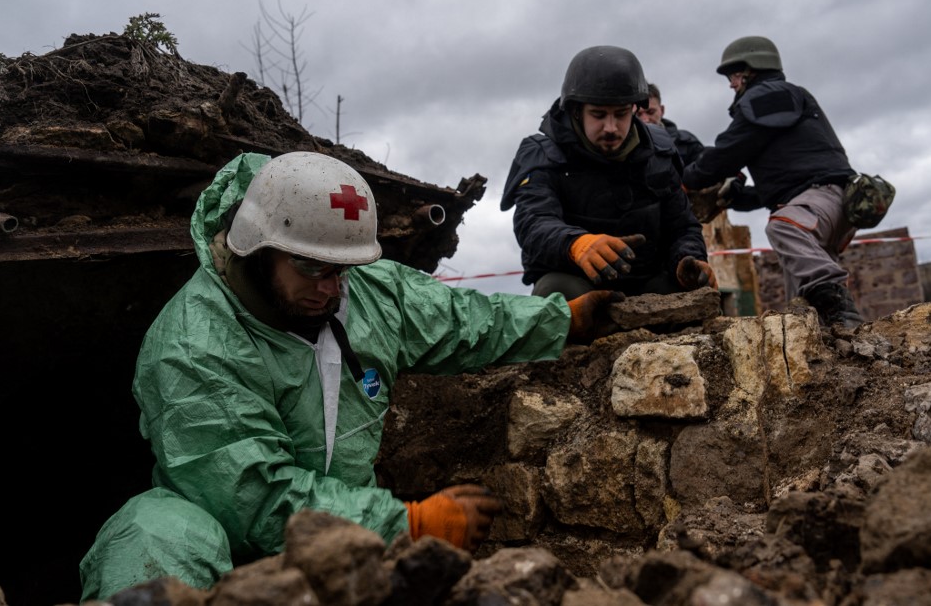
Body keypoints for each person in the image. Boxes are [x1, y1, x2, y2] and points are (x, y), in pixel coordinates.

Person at [79, 151, 623, 600]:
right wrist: (402, 524)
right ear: (256, 248)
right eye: (313, 268)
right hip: (226, 535)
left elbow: (462, 320)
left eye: (343, 269)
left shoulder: (362, 293)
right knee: (155, 532)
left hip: (350, 532)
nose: (332, 288)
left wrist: (560, 319)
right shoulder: (191, 344)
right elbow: (252, 497)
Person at [500, 45, 717, 304]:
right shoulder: (543, 156)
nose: (611, 127)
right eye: (599, 115)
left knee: (694, 293)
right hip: (579, 281)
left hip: (647, 281)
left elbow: (683, 226)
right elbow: (532, 223)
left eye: (621, 114)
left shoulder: (659, 153)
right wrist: (576, 244)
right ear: (576, 111)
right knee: (557, 294)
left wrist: (688, 259)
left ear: (635, 110)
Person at [681, 35, 864, 328]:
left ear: (751, 69)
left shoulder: (769, 95)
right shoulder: (785, 102)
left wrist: (687, 180)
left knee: (782, 226)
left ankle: (844, 312)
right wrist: (740, 196)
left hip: (819, 200)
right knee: (804, 302)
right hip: (824, 204)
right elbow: (784, 184)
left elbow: (728, 152)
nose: (731, 84)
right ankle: (834, 340)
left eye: (733, 75)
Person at [637, 82, 704, 166]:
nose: (645, 120)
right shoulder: (619, 149)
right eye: (638, 115)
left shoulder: (687, 143)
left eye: (651, 112)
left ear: (662, 110)